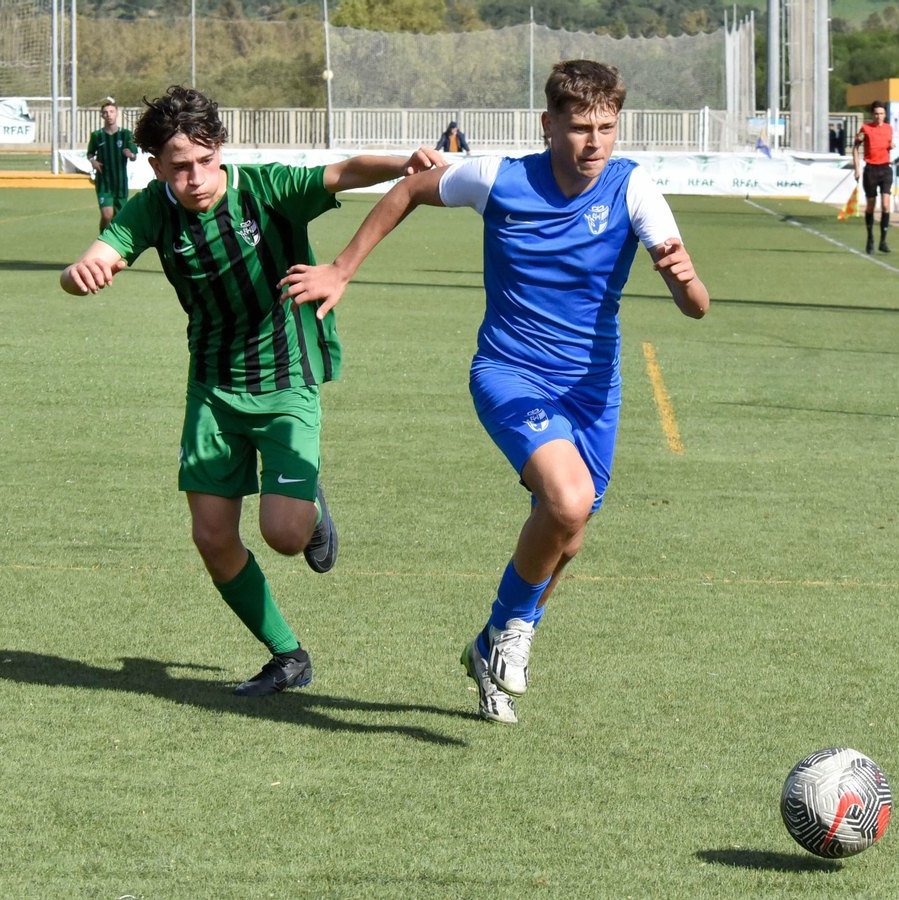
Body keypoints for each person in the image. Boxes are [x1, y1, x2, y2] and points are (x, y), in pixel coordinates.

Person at [275, 60, 709, 725]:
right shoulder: (501, 178)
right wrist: (341, 267)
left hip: (593, 390)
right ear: (549, 125)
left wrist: (683, 280)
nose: (594, 143)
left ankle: (488, 647)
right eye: (580, 127)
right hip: (509, 374)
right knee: (569, 501)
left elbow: (697, 306)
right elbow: (409, 191)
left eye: (607, 127)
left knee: (569, 533)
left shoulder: (633, 189)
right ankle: (514, 630)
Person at [58, 86, 448, 697]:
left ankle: (309, 502)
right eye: (179, 167)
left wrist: (402, 164)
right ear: (155, 166)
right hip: (212, 388)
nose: (196, 179)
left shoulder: (263, 189)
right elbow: (98, 255)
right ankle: (288, 655)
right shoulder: (150, 209)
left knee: (285, 536)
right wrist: (78, 273)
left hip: (285, 378)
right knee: (212, 536)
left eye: (206, 161)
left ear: (222, 151)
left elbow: (341, 171)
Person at [852, 100, 895, 253]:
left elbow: (889, 144)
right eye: (876, 114)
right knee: (871, 204)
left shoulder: (889, 128)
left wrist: (891, 146)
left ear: (885, 115)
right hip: (871, 169)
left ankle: (883, 241)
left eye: (882, 114)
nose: (879, 117)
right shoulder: (865, 129)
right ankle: (870, 237)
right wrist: (857, 169)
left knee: (885, 204)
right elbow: (856, 147)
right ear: (872, 114)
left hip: (885, 168)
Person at [87, 100, 135, 231]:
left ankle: (116, 244)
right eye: (105, 112)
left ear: (117, 114)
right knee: (107, 215)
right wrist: (93, 161)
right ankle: (103, 238)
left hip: (120, 183)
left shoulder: (125, 134)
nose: (109, 115)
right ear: (102, 115)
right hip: (104, 181)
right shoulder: (97, 135)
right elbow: (90, 153)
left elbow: (134, 156)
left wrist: (130, 155)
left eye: (111, 112)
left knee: (119, 217)